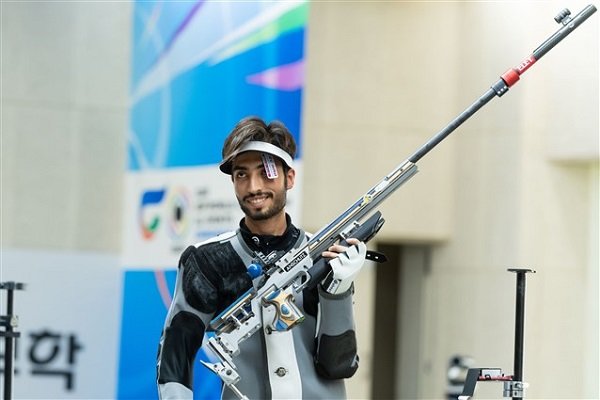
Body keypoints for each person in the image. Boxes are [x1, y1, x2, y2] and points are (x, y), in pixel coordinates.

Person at [156, 116, 368, 399]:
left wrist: (338, 291)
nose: (254, 187)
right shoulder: (208, 261)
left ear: (289, 177)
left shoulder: (324, 255)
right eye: (242, 174)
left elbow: (338, 366)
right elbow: (176, 352)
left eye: (265, 172)